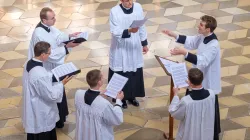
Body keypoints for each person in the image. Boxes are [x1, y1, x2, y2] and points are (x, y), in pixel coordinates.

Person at [28, 7, 81, 128]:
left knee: (58, 87)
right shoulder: (39, 33)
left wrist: (70, 36)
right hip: (46, 67)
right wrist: (67, 48)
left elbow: (58, 36)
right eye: (52, 18)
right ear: (44, 20)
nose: (55, 20)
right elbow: (49, 55)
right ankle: (56, 120)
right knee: (52, 91)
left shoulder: (49, 27)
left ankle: (60, 117)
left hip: (51, 66)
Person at [22, 41, 72, 140]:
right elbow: (51, 95)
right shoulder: (39, 73)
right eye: (49, 53)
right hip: (41, 112)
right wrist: (61, 84)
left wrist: (54, 76)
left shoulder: (29, 63)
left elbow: (42, 78)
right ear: (43, 54)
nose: (50, 55)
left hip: (33, 106)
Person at [162, 15, 221, 95]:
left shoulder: (213, 45)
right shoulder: (203, 36)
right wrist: (174, 35)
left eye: (201, 25)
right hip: (198, 75)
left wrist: (184, 52)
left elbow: (203, 61)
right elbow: (191, 41)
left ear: (208, 29)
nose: (198, 26)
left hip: (207, 78)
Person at [109, 0, 149, 109]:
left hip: (134, 45)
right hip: (121, 47)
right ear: (121, 0)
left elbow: (142, 26)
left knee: (134, 72)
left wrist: (144, 43)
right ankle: (121, 98)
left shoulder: (138, 7)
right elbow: (114, 30)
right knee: (121, 72)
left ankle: (132, 96)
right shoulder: (114, 11)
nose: (130, 2)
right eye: (127, 0)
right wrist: (130, 30)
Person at [169, 68, 220, 140]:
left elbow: (174, 112)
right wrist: (191, 86)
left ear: (190, 82)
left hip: (191, 134)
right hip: (206, 131)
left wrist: (175, 94)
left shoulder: (186, 101)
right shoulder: (212, 94)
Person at [75, 69, 124, 140]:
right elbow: (117, 119)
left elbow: (88, 98)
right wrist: (118, 101)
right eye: (102, 77)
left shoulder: (78, 93)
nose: (104, 78)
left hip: (84, 133)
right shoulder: (103, 104)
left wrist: (98, 94)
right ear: (99, 82)